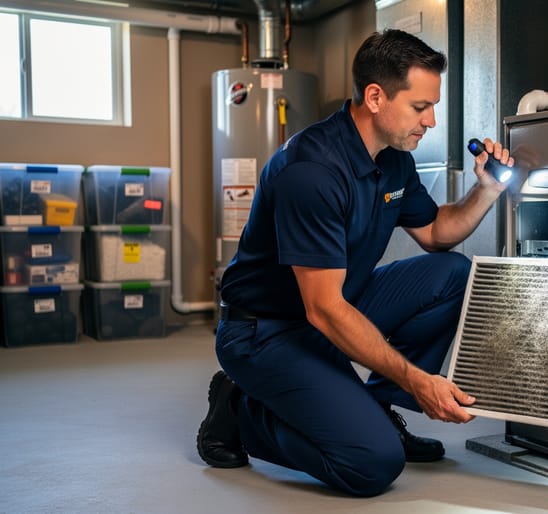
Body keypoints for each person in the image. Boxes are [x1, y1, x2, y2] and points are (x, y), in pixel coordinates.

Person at [196, 28, 515, 497]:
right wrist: (417, 379)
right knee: (371, 463)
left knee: (452, 274)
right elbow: (322, 309)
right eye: (420, 107)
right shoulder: (312, 172)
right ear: (375, 97)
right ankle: (241, 411)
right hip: (266, 331)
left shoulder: (394, 160)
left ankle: (376, 407)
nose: (430, 121)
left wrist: (486, 188)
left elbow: (435, 233)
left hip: (330, 306)